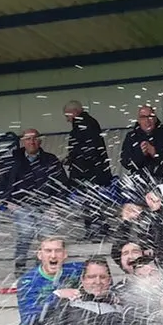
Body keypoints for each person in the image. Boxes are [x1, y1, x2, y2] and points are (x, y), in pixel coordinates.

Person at [0, 129, 71, 278]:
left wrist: (56, 206)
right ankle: (19, 271)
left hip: (47, 206)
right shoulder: (13, 160)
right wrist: (8, 202)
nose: (31, 142)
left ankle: (42, 270)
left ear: (40, 141)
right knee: (25, 234)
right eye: (28, 139)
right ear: (22, 142)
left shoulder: (50, 160)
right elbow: (2, 184)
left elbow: (63, 184)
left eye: (34, 138)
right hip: (22, 206)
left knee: (46, 239)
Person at [63, 100, 113, 240]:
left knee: (89, 202)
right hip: (93, 172)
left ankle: (96, 231)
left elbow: (87, 151)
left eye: (67, 115)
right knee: (91, 202)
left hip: (88, 174)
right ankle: (97, 229)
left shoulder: (83, 124)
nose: (67, 119)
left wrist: (74, 159)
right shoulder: (89, 123)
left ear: (73, 112)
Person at [119, 105, 163, 197]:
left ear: (155, 119)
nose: (147, 120)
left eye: (150, 117)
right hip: (140, 184)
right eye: (143, 117)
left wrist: (155, 153)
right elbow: (125, 162)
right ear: (139, 120)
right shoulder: (131, 137)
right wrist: (141, 154)